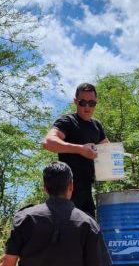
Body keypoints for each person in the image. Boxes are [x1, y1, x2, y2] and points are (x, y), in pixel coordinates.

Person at [0, 162, 111, 266]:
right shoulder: (88, 224)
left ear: (45, 188)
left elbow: (8, 262)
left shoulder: (24, 218)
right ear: (71, 186)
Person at [43, 83, 109, 217]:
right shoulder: (67, 121)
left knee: (88, 230)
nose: (87, 107)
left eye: (91, 103)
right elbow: (48, 142)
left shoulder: (97, 126)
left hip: (87, 190)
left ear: (96, 102)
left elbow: (108, 150)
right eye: (82, 102)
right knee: (67, 232)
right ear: (75, 101)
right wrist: (80, 149)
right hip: (65, 191)